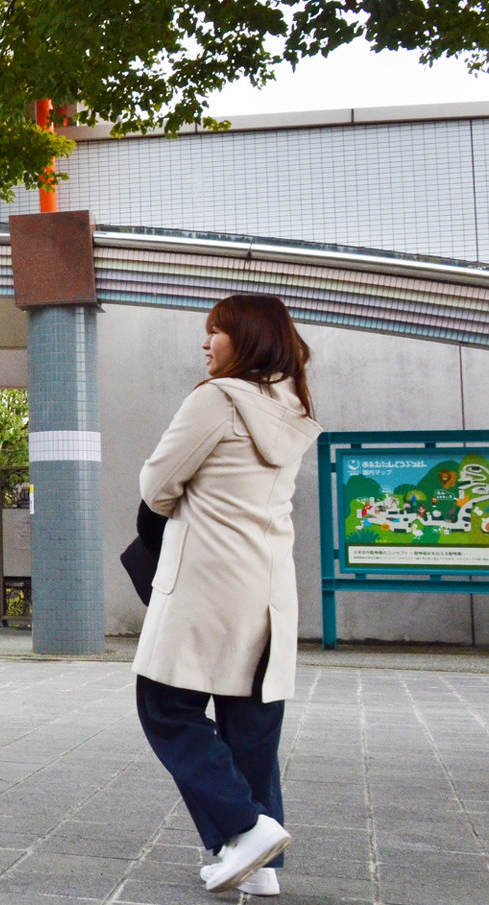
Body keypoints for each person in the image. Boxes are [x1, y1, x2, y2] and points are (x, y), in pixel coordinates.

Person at [134, 294, 321, 897]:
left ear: (246, 339)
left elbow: (157, 485)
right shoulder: (289, 407)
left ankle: (243, 829)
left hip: (207, 584)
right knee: (251, 723)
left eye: (215, 332)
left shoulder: (216, 399)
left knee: (165, 707)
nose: (205, 343)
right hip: (267, 589)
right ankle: (258, 867)